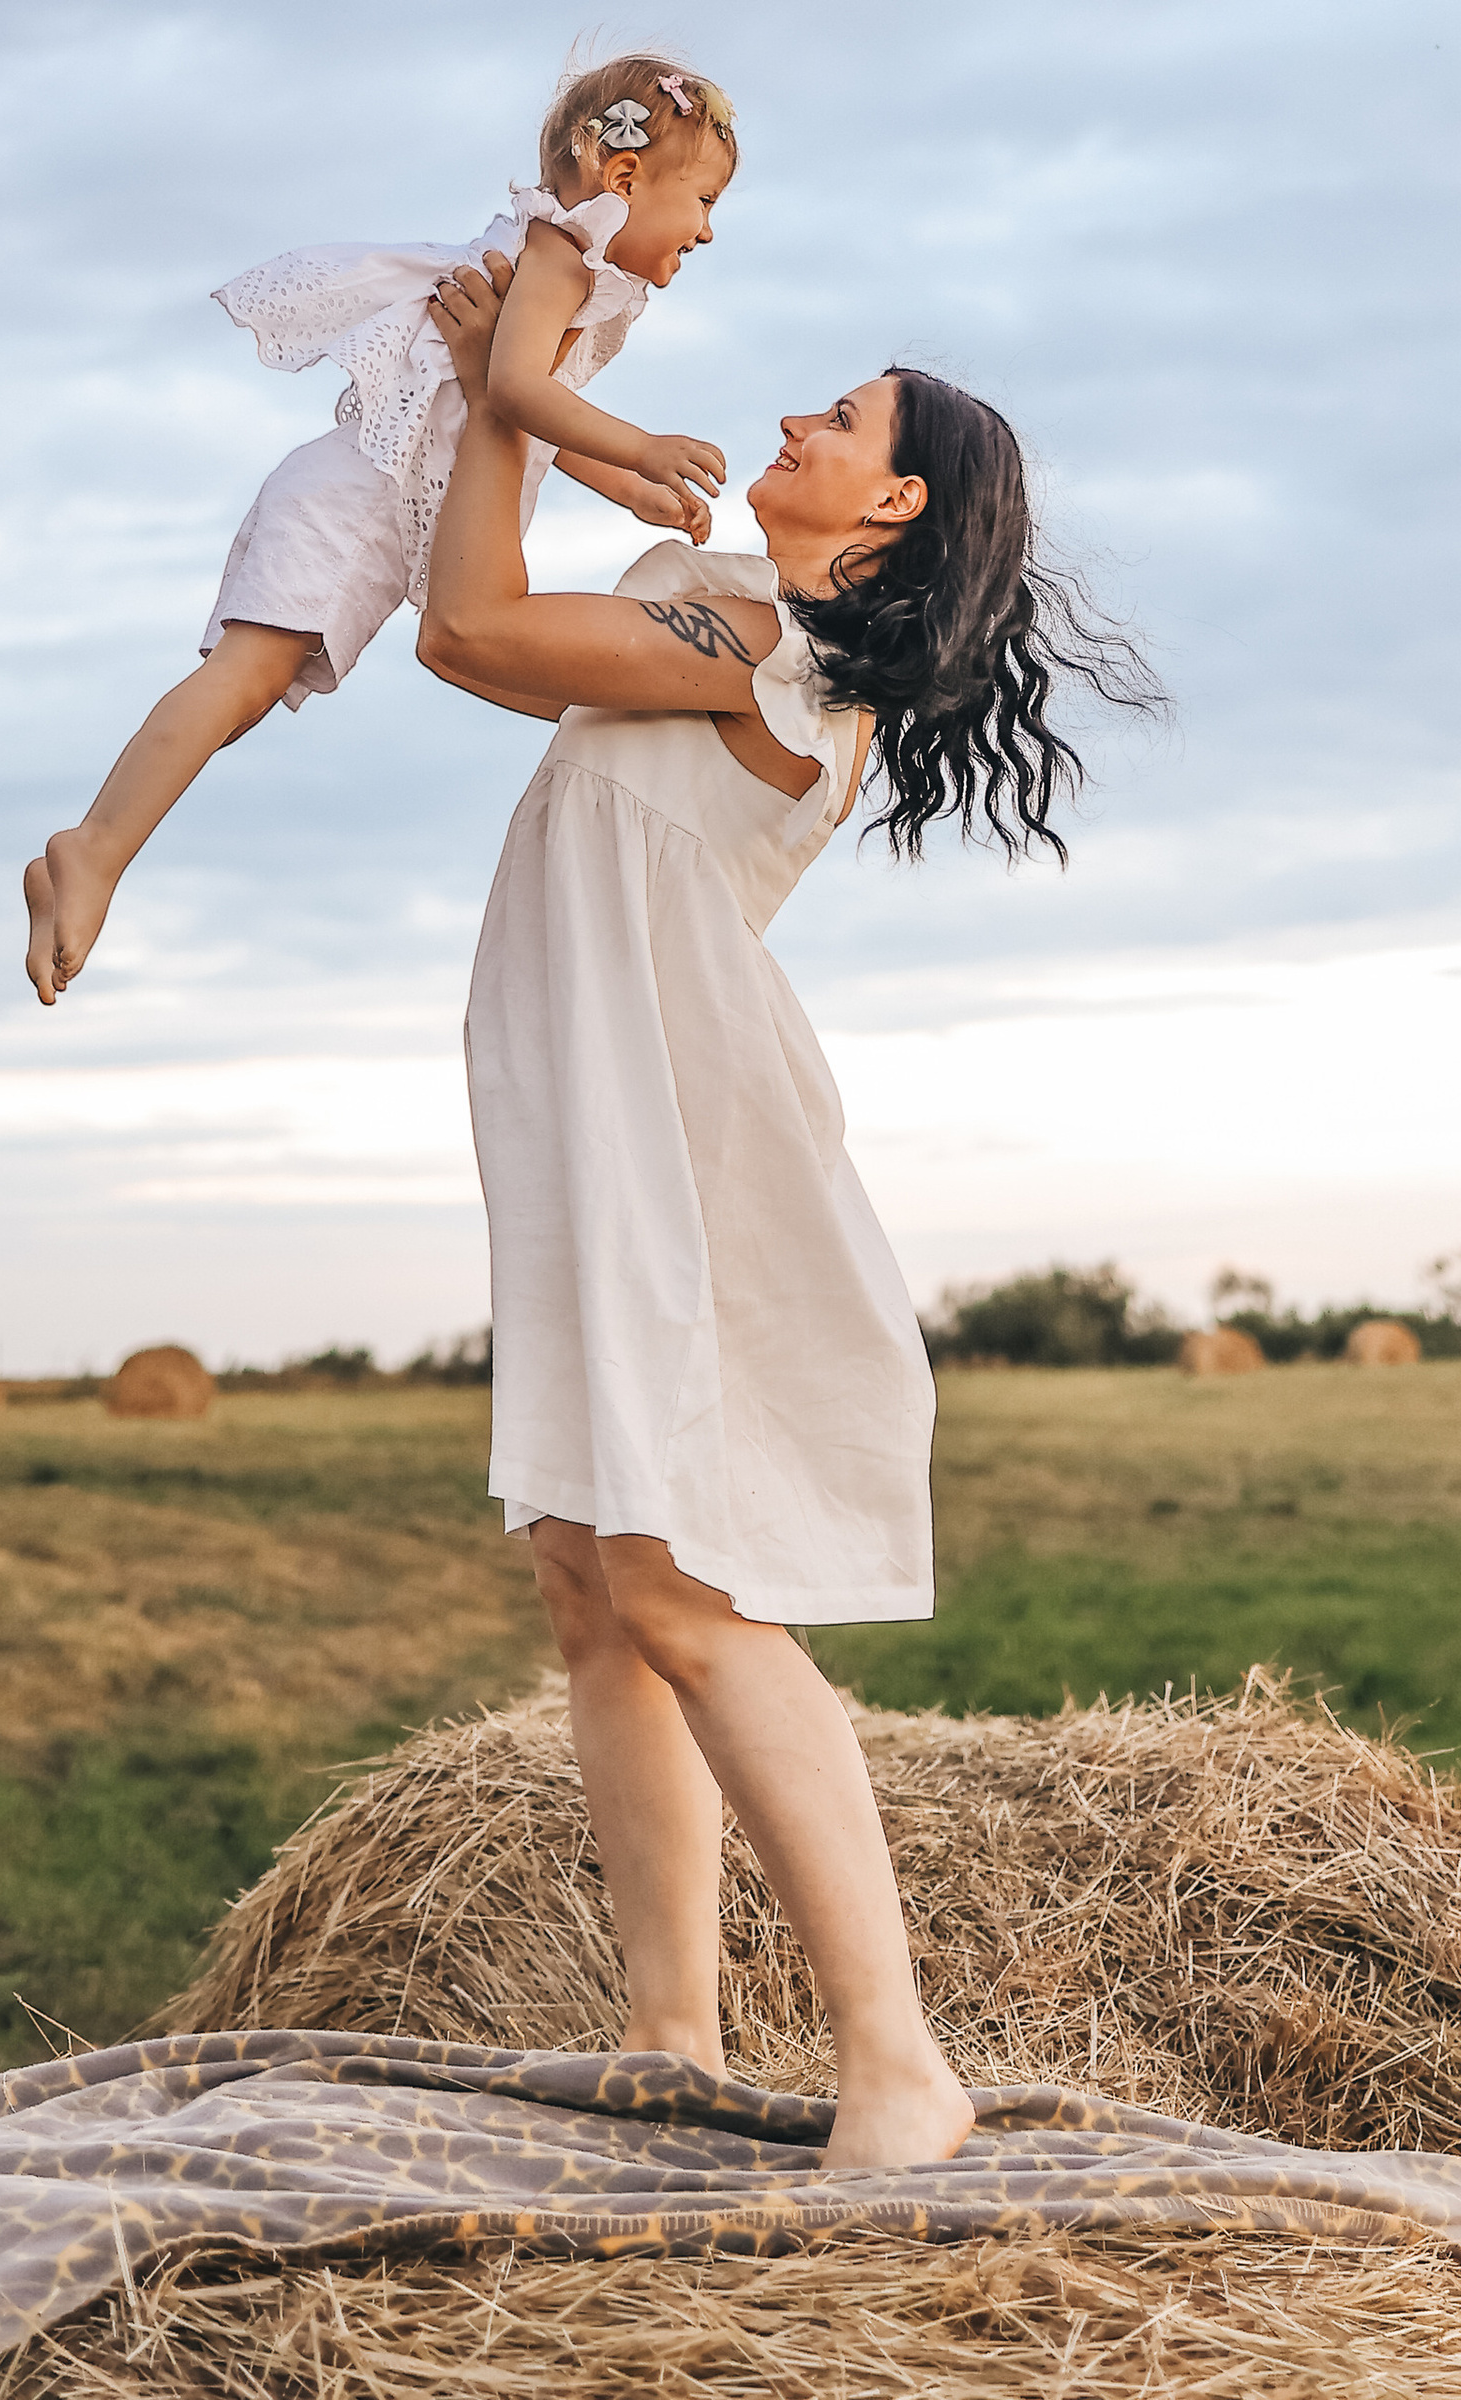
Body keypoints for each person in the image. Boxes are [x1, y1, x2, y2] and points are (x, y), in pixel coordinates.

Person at [416, 254, 1162, 2172]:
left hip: (680, 1136)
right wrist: (515, 376)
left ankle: (898, 2063)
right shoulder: (740, 605)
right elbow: (501, 603)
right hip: (593, 1114)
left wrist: (513, 395)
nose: (791, 426)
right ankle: (672, 2027)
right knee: (591, 1577)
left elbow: (471, 628)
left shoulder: (783, 661)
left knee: (679, 1588)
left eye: (836, 421)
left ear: (892, 503)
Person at [22, 55, 738, 1003]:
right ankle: (93, 851)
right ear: (623, 178)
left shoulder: (570, 264)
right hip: (357, 501)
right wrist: (642, 447)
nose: (709, 228)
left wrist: (626, 490)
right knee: (240, 679)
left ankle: (102, 841)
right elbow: (517, 389)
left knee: (242, 693)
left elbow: (523, 408)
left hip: (368, 503)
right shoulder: (562, 254)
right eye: (703, 198)